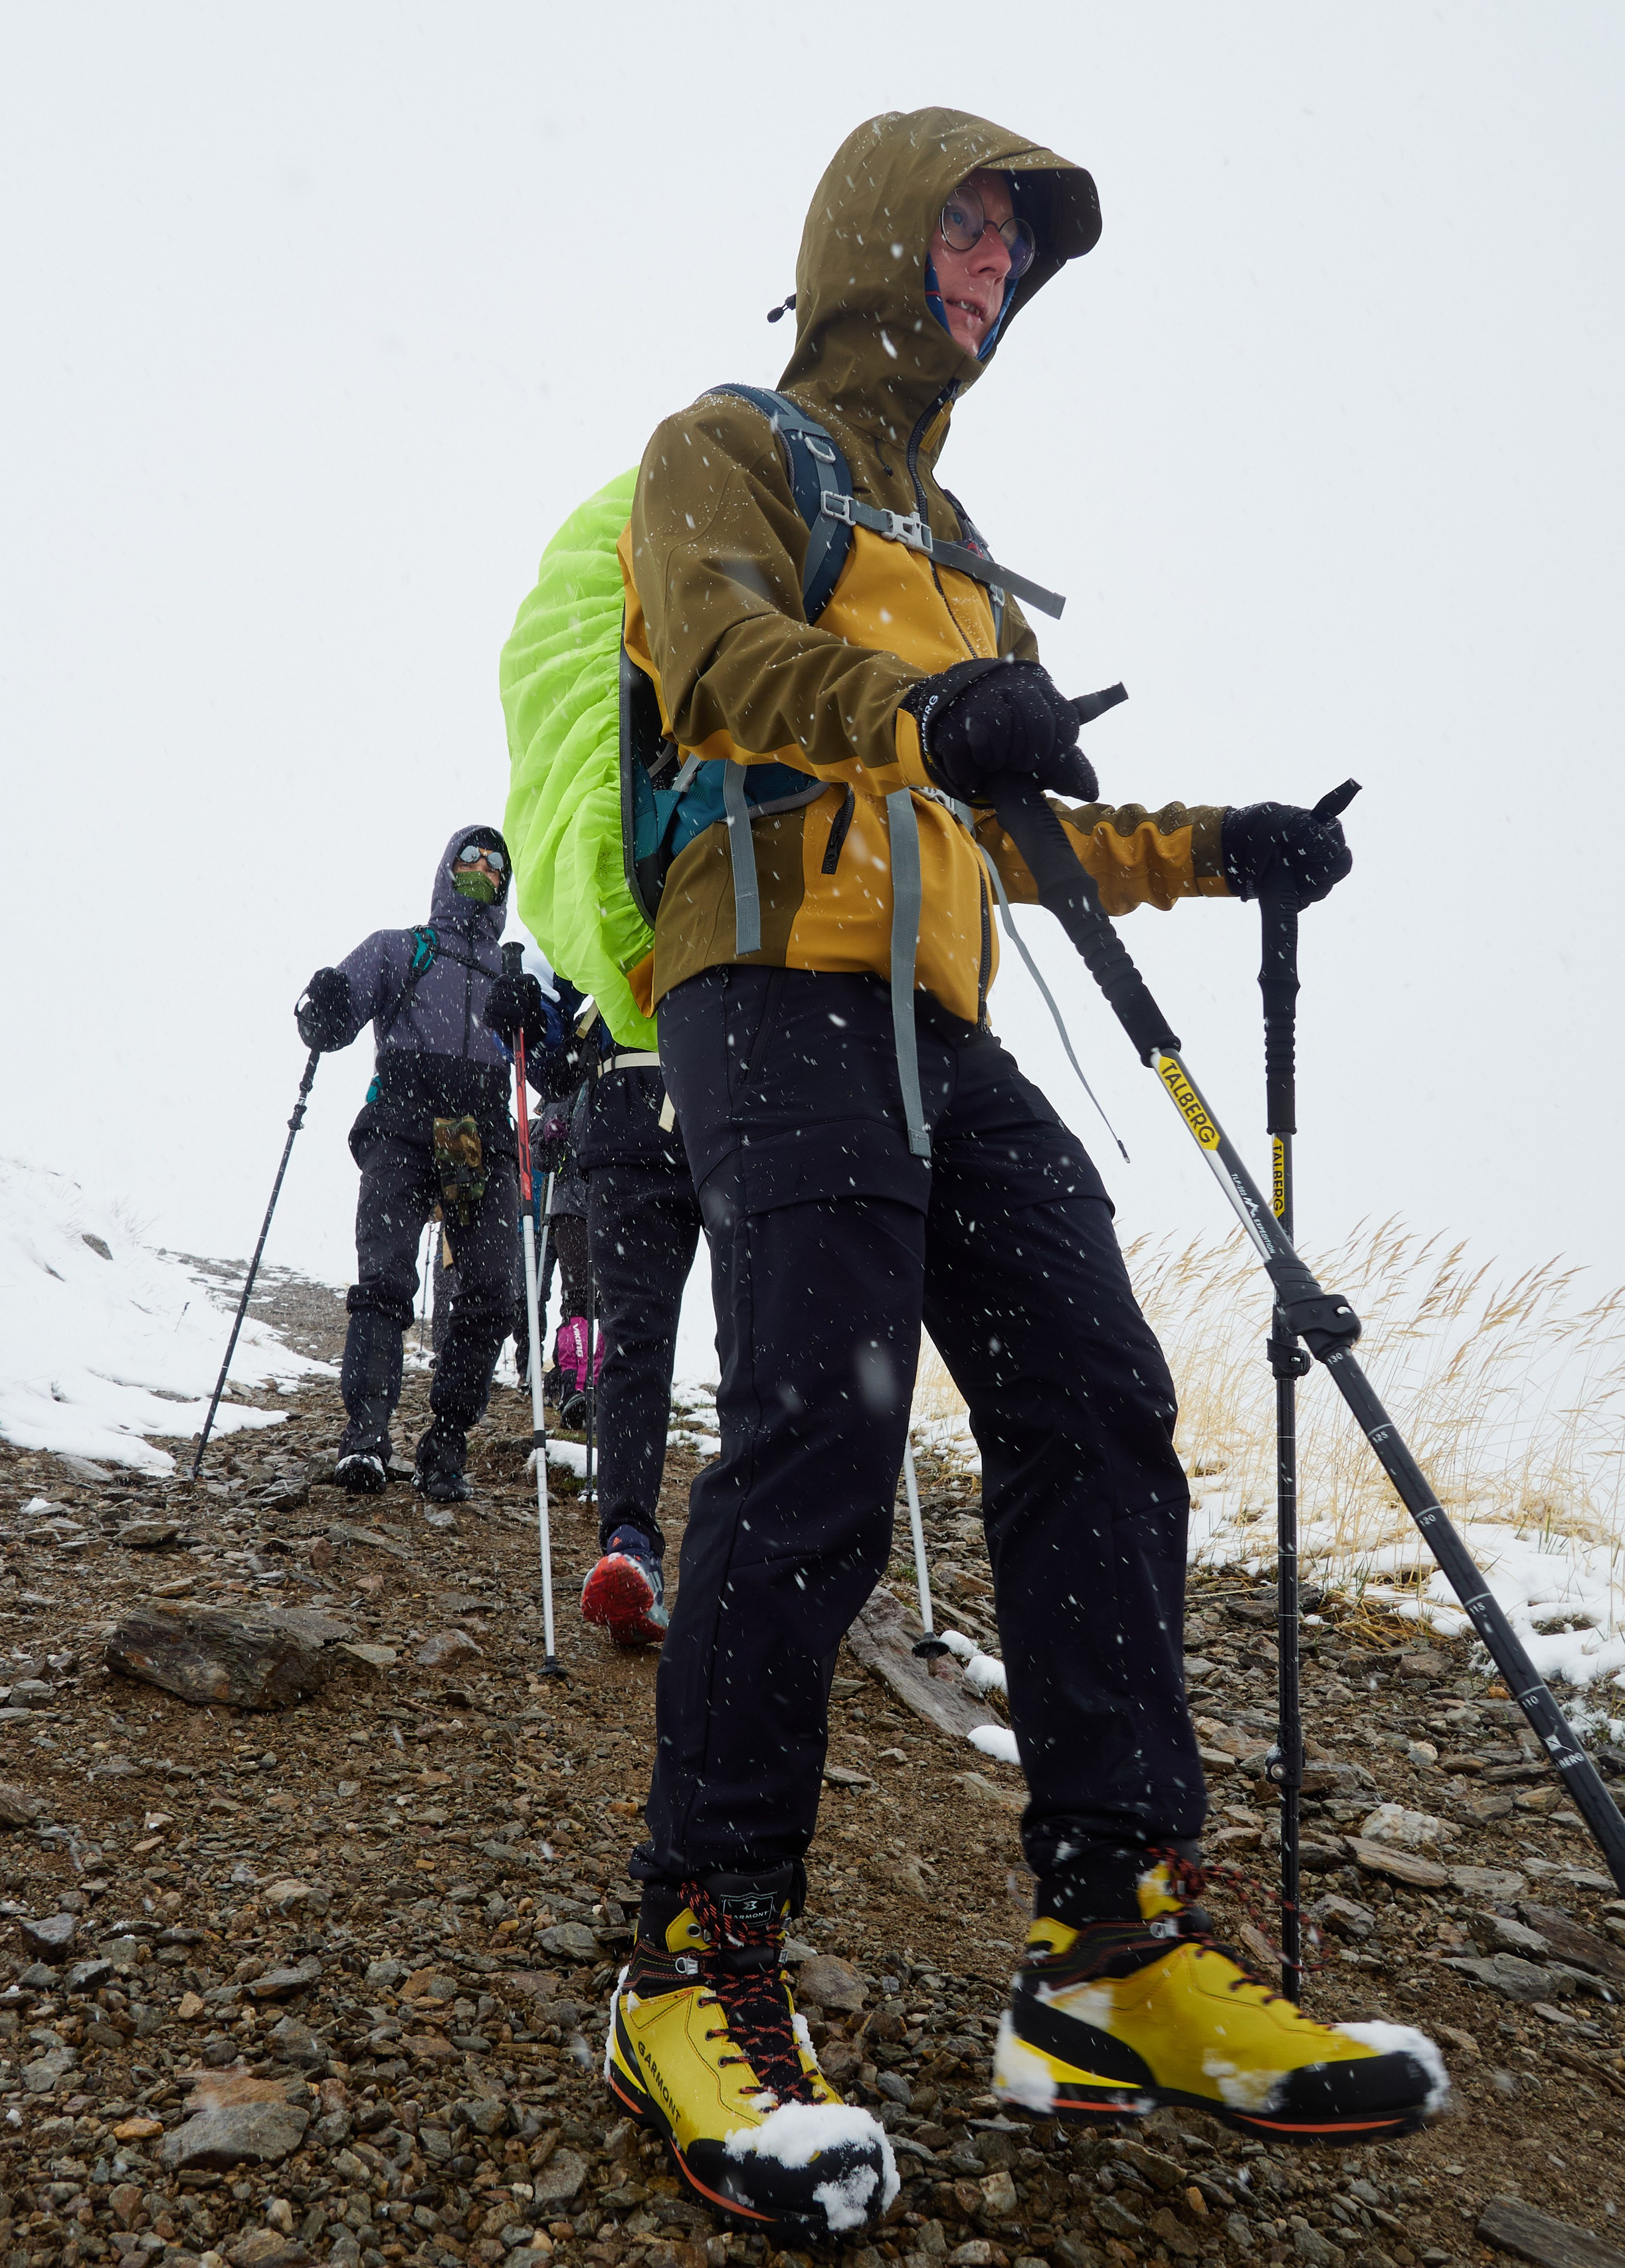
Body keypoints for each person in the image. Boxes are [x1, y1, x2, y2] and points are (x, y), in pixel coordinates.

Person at [601, 109, 1442, 2239]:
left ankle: (1111, 1951)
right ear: (872, 237)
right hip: (766, 981)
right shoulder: (725, 449)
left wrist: (1220, 846)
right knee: (819, 1432)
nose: (988, 270)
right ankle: (691, 1957)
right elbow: (720, 658)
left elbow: (1023, 822)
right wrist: (930, 712)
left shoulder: (955, 538)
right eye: (963, 229)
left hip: (938, 1015)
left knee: (1095, 1397)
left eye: (1013, 251)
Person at [294, 825, 557, 1503]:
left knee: (492, 1288)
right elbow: (333, 1018)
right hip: (404, 1125)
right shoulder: (399, 948)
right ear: (448, 869)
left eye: (496, 863)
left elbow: (553, 1071)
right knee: (386, 1277)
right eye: (471, 858)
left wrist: (533, 1024)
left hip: (473, 1134)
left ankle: (447, 1441)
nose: (484, 869)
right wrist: (325, 1005)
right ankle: (365, 1439)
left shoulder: (511, 973)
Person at [571, 1012, 701, 1649]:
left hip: (641, 1123)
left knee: (638, 1342)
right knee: (758, 1340)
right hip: (729, 1115)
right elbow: (552, 1046)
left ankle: (636, 1548)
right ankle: (633, 1547)